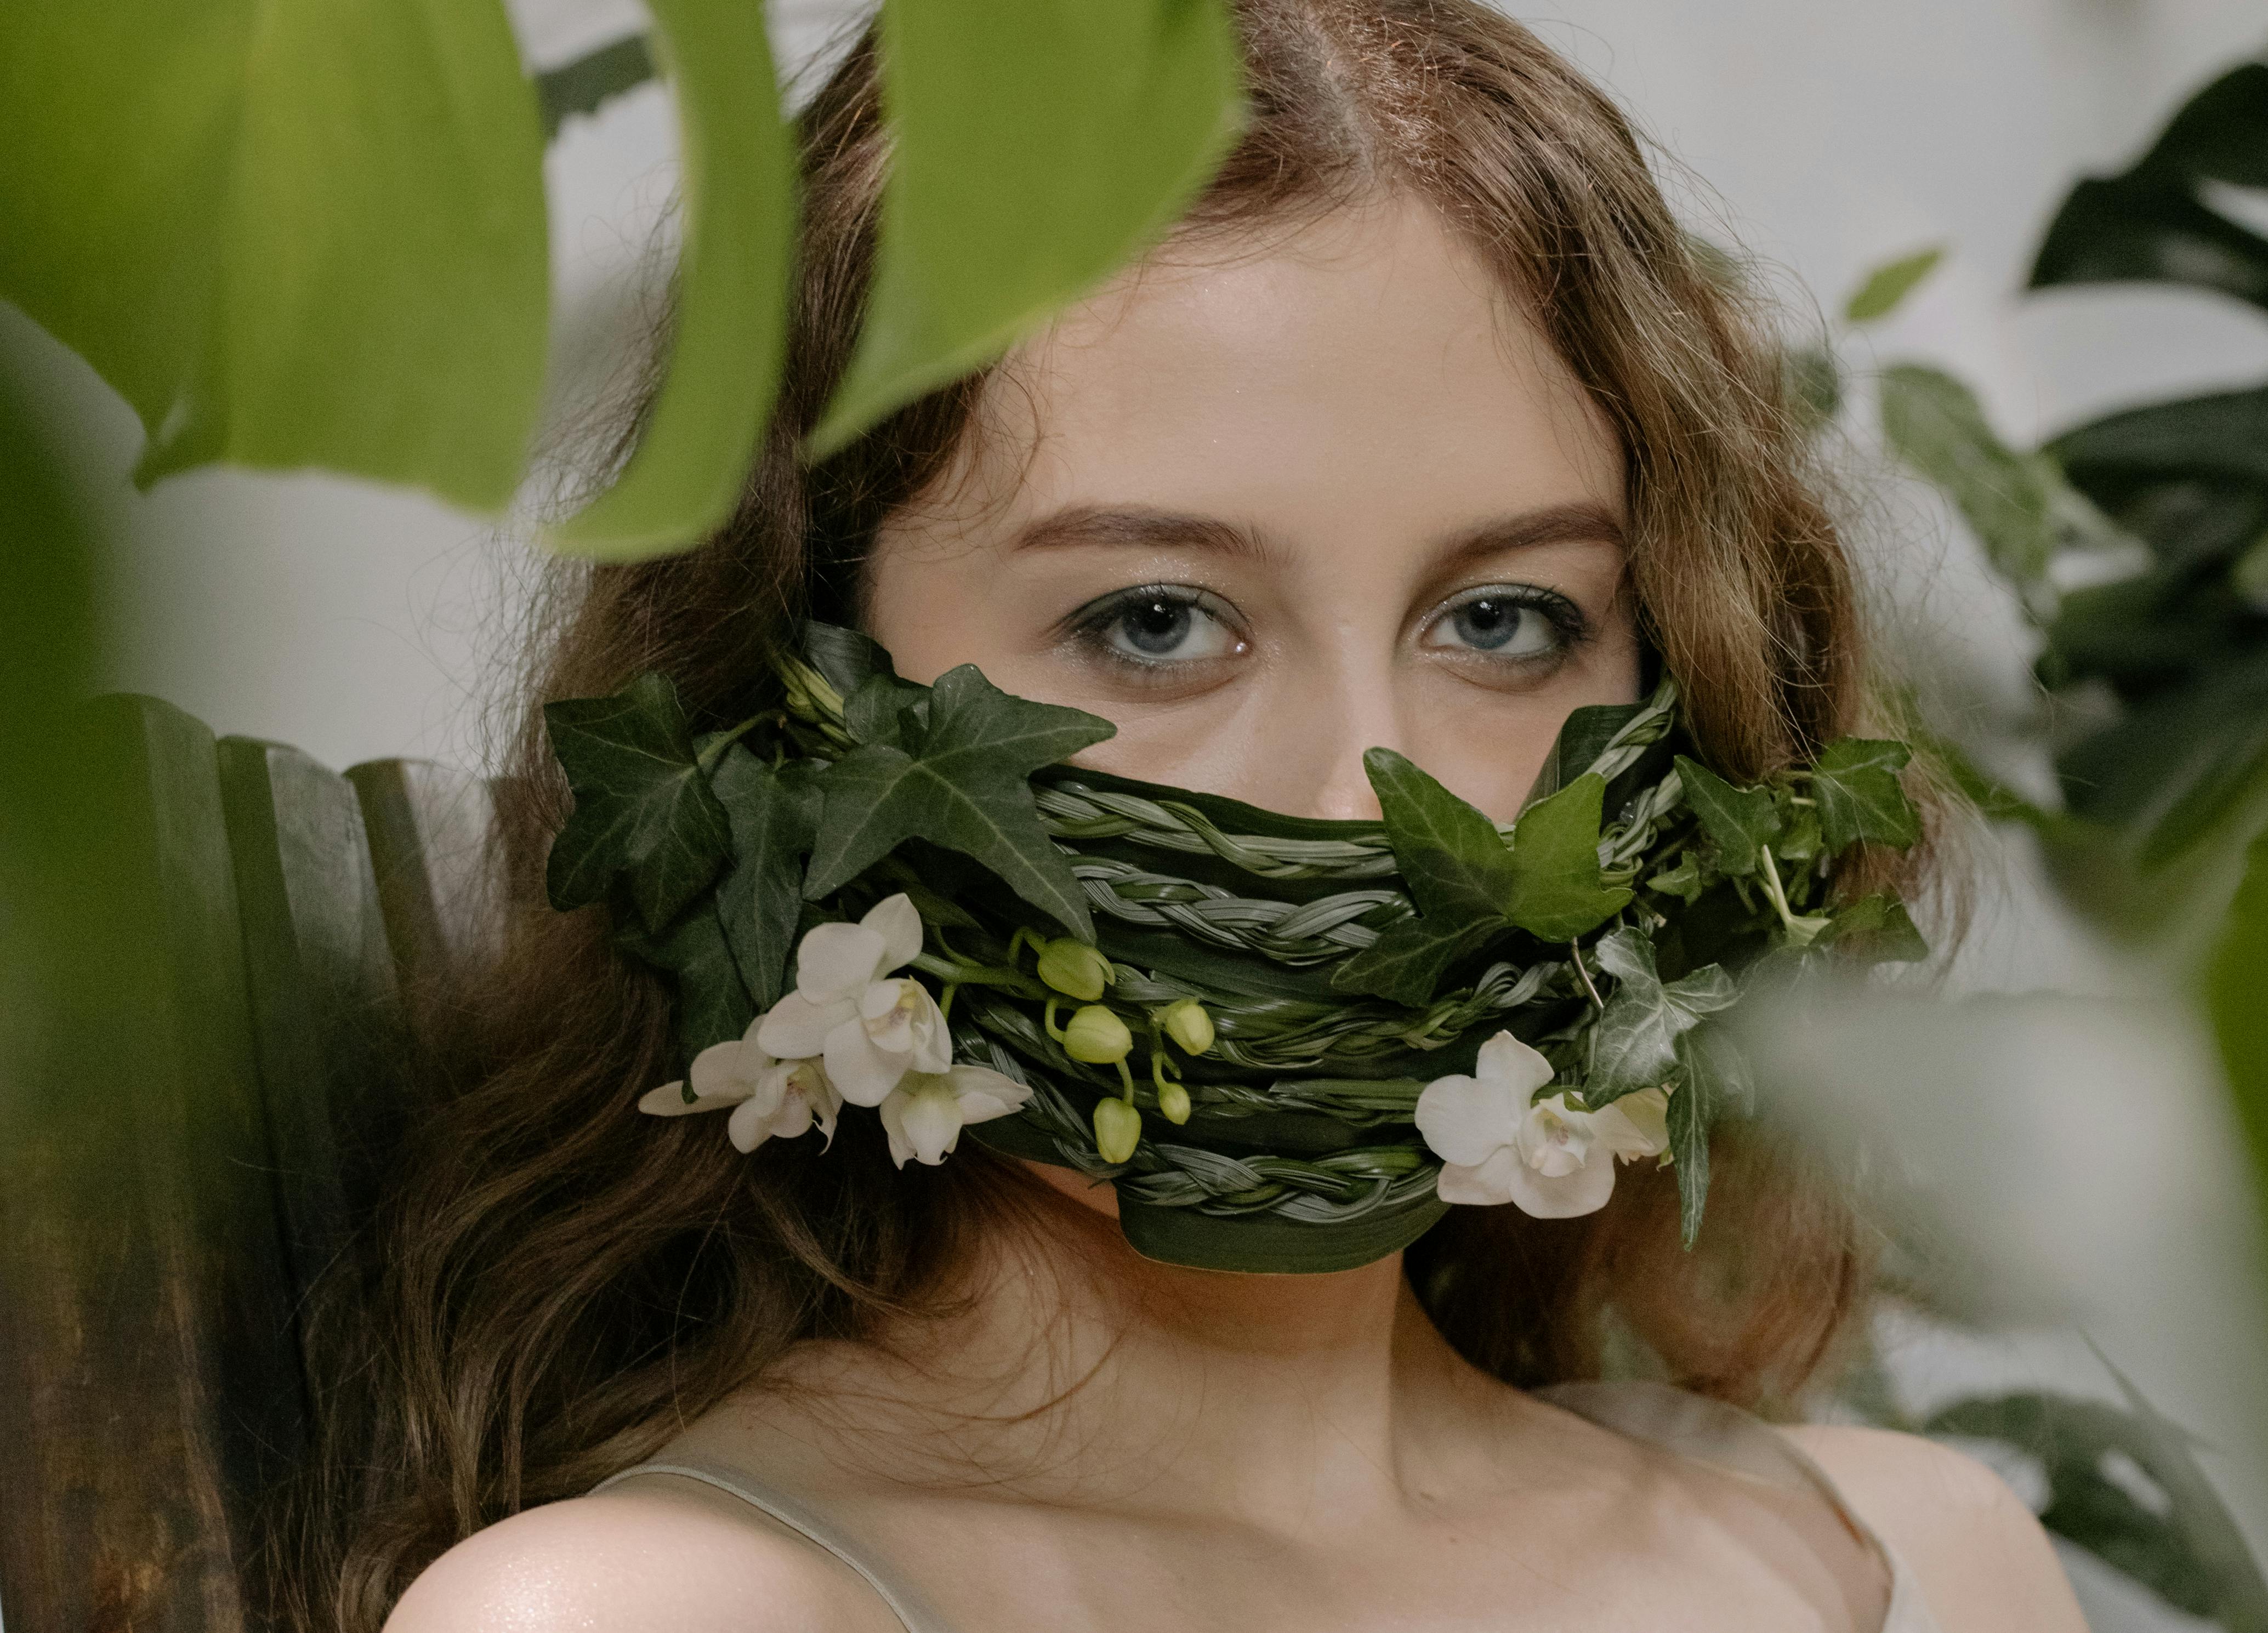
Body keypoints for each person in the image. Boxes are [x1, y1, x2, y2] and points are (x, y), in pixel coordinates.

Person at [339, 2, 2089, 1628]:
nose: (1365, 797)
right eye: (1156, 620)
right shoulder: (670, 1609)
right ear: (789, 690)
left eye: (1500, 620)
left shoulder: (1912, 1564)